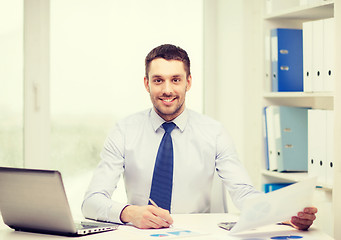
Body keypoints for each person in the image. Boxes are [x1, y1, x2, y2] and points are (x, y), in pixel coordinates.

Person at [82, 44, 317, 230]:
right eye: (158, 80)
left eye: (175, 79)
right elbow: (92, 201)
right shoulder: (124, 131)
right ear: (146, 84)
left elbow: (244, 193)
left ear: (188, 82)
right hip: (140, 233)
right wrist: (130, 212)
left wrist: (284, 215)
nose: (167, 90)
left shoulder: (214, 132)